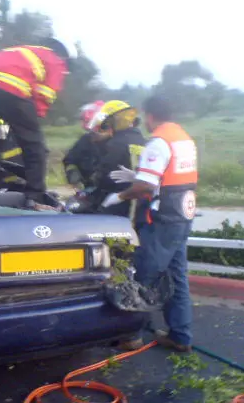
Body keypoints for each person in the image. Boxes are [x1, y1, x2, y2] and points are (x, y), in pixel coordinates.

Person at [101, 96, 198, 352]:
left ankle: (131, 335)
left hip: (161, 220)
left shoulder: (159, 141)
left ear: (150, 115)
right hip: (181, 215)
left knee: (142, 276)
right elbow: (169, 177)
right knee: (177, 277)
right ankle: (180, 336)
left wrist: (120, 196)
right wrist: (139, 175)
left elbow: (146, 185)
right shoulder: (183, 138)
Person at [0, 38, 72, 209]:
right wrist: (32, 121)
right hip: (9, 88)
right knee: (35, 147)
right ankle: (35, 197)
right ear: (63, 56)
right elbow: (45, 94)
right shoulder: (54, 59)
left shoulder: (16, 51)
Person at [86, 100, 145, 221]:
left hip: (116, 204)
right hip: (140, 204)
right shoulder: (144, 141)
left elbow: (103, 177)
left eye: (108, 123)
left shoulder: (115, 144)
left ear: (115, 121)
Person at [62, 101, 105, 189]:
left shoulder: (116, 143)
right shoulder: (85, 140)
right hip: (89, 187)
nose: (94, 135)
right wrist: (73, 174)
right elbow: (70, 159)